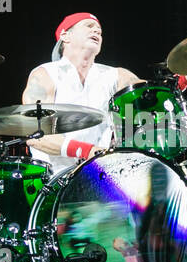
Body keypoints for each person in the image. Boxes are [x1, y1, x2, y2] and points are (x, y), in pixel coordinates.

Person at [22, 12, 143, 173]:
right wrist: (89, 151)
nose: (97, 31)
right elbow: (37, 137)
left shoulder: (116, 75)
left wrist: (183, 76)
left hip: (102, 174)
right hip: (53, 178)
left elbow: (153, 96)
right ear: (65, 35)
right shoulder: (45, 74)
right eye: (89, 26)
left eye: (99, 30)